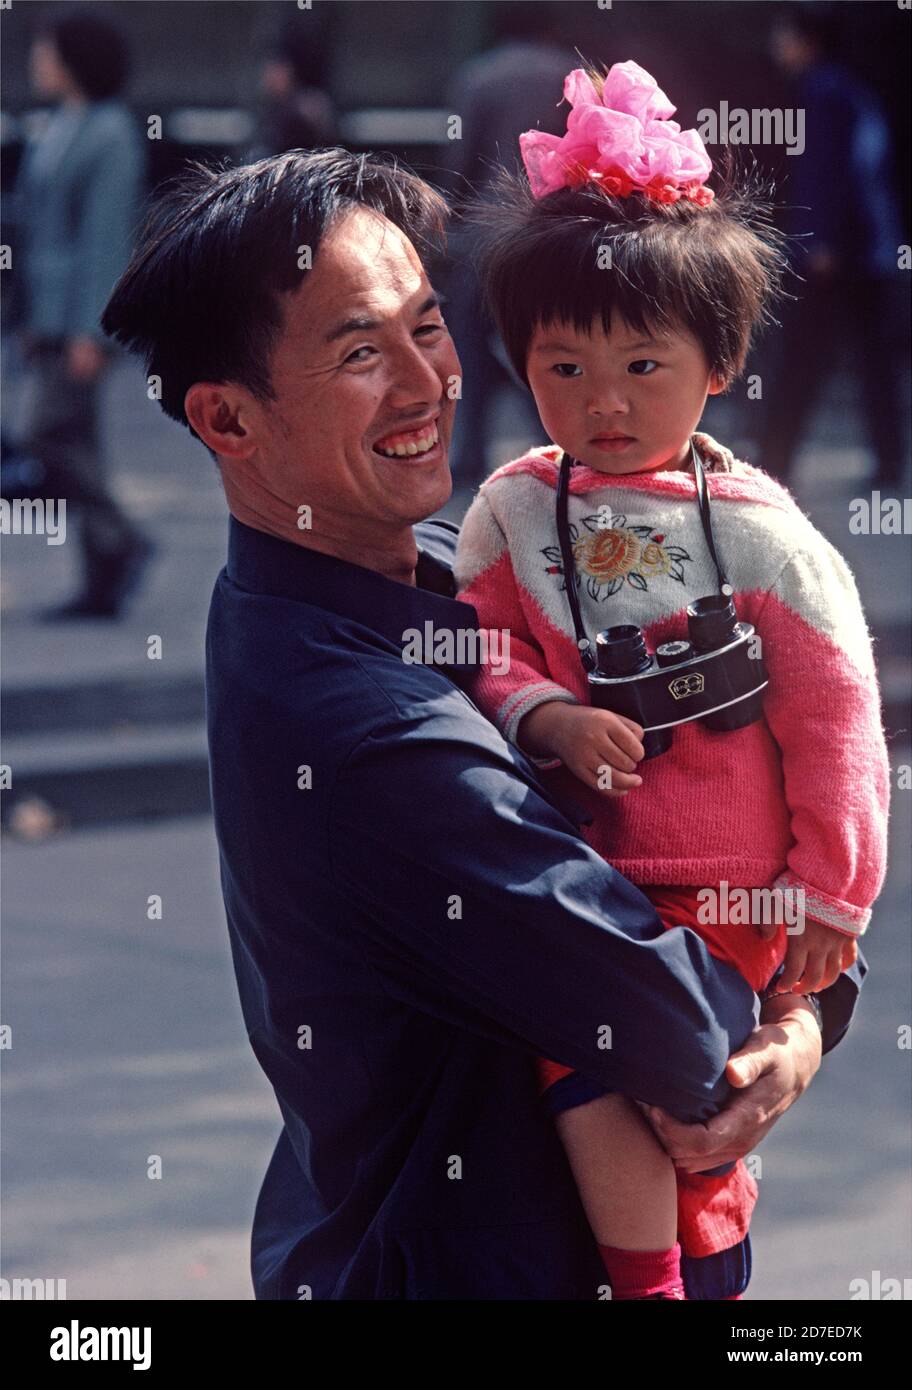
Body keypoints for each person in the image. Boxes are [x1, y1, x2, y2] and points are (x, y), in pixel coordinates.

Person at [99, 146, 865, 1301]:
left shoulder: (455, 571)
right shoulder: (362, 726)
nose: (426, 383)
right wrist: (794, 1010)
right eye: (361, 350)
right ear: (227, 418)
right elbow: (678, 1019)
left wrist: (808, 995)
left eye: (427, 326)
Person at [453, 62, 888, 1300]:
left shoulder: (761, 535)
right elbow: (475, 642)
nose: (603, 404)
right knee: (591, 1076)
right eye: (564, 369)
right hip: (596, 884)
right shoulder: (512, 509)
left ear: (719, 363)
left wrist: (831, 895)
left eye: (642, 367)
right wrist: (542, 708)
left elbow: (836, 718)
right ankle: (664, 1282)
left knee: (678, 1080)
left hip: (732, 891)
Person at [14, 5, 153, 618]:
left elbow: (104, 238)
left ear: (75, 59)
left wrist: (92, 331)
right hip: (45, 316)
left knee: (43, 435)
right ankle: (102, 575)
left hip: (76, 320)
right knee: (79, 445)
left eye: (48, 49)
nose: (37, 60)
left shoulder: (110, 132)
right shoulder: (59, 124)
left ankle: (122, 540)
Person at [758, 2, 909, 488]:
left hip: (838, 253)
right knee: (873, 363)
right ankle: (888, 465)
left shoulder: (821, 91)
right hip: (870, 251)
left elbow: (824, 174)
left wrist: (818, 242)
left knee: (802, 358)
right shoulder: (847, 88)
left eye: (785, 34)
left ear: (808, 39)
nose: (778, 44)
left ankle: (773, 464)